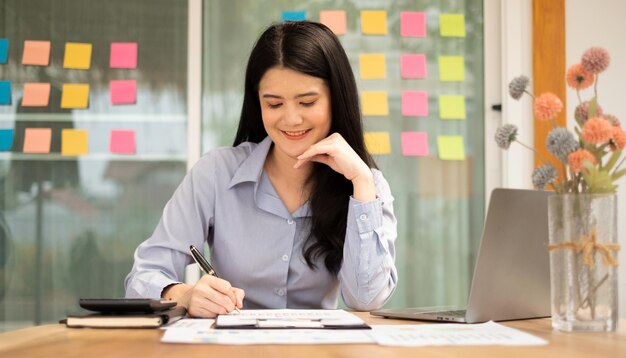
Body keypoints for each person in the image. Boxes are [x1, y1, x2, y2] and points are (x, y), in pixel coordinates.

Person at [124, 21, 397, 317]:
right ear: (258, 103)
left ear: (336, 99)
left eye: (307, 102)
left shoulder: (366, 186)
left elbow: (367, 300)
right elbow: (142, 278)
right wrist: (186, 294)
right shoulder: (217, 172)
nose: (291, 119)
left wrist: (361, 184)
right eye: (274, 104)